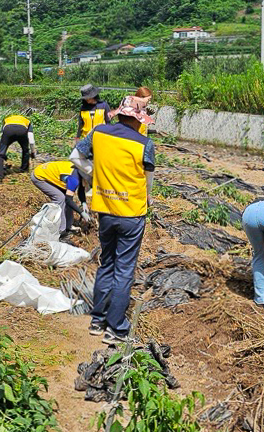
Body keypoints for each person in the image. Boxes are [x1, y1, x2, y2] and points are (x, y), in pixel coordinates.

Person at [88, 96, 156, 345]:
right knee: (124, 269)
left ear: (119, 114)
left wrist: (93, 180)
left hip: (105, 210)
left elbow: (77, 156)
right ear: (137, 120)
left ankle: (97, 320)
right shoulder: (144, 143)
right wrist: (148, 198)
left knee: (106, 262)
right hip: (131, 214)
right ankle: (116, 327)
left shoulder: (99, 133)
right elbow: (148, 179)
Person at [30, 160, 90, 239]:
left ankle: (68, 226)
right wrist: (81, 212)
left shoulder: (80, 170)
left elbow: (81, 190)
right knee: (60, 198)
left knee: (67, 198)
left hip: (49, 173)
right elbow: (68, 200)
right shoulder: (74, 179)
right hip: (39, 176)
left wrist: (84, 203)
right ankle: (61, 232)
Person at [0, 113, 37, 180]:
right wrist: (33, 152)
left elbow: (2, 135)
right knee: (25, 150)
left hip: (8, 130)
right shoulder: (27, 121)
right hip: (22, 131)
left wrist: (2, 151)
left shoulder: (6, 120)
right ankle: (24, 169)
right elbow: (31, 139)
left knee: (0, 154)